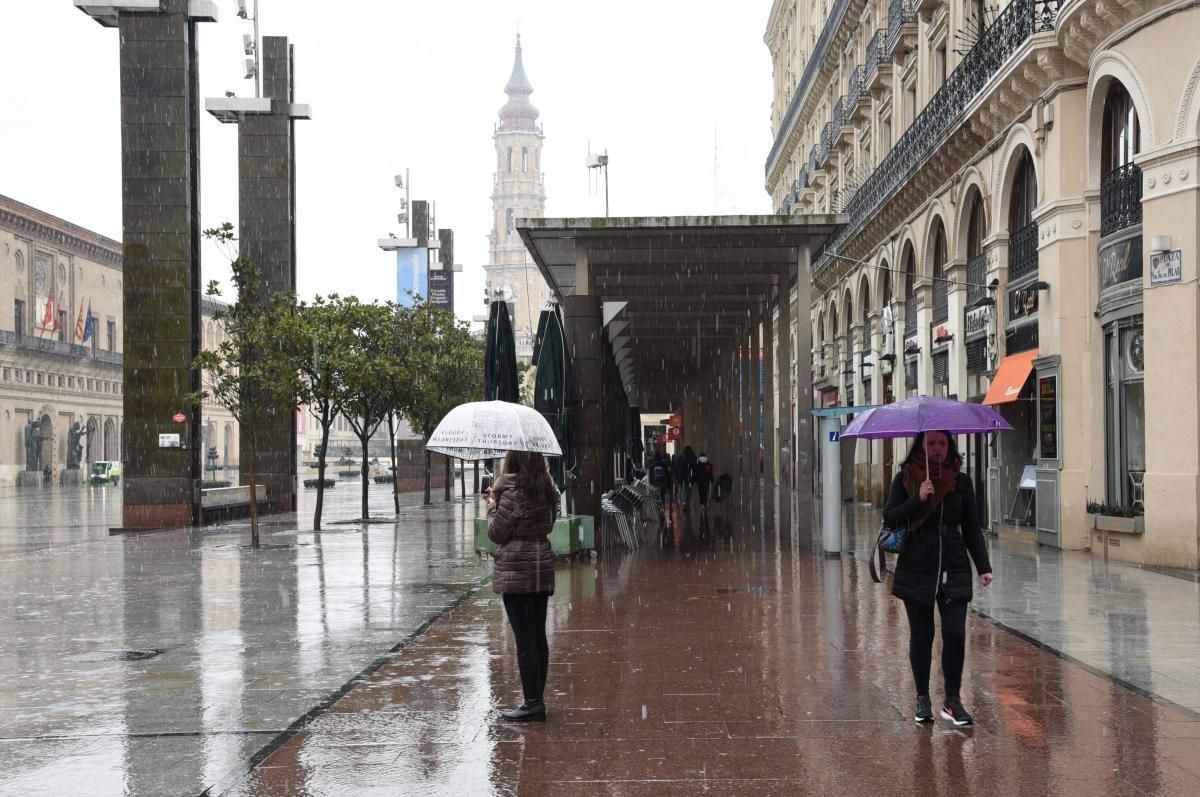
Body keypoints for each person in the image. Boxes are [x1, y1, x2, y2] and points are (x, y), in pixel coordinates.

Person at [883, 430, 993, 727]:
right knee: (922, 636)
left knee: (955, 634)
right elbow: (890, 517)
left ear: (950, 446)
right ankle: (922, 697)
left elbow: (972, 527)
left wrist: (983, 565)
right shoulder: (906, 478)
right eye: (931, 443)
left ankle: (953, 700)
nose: (937, 449)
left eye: (942, 443)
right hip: (918, 564)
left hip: (954, 565)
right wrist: (917, 499)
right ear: (921, 444)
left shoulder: (962, 481)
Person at [485, 450, 559, 722]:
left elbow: (496, 532)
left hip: (517, 570)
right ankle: (536, 699)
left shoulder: (512, 491)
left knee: (524, 639)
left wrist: (492, 503)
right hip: (541, 567)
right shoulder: (547, 489)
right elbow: (549, 524)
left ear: (513, 461)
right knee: (538, 636)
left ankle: (532, 703)